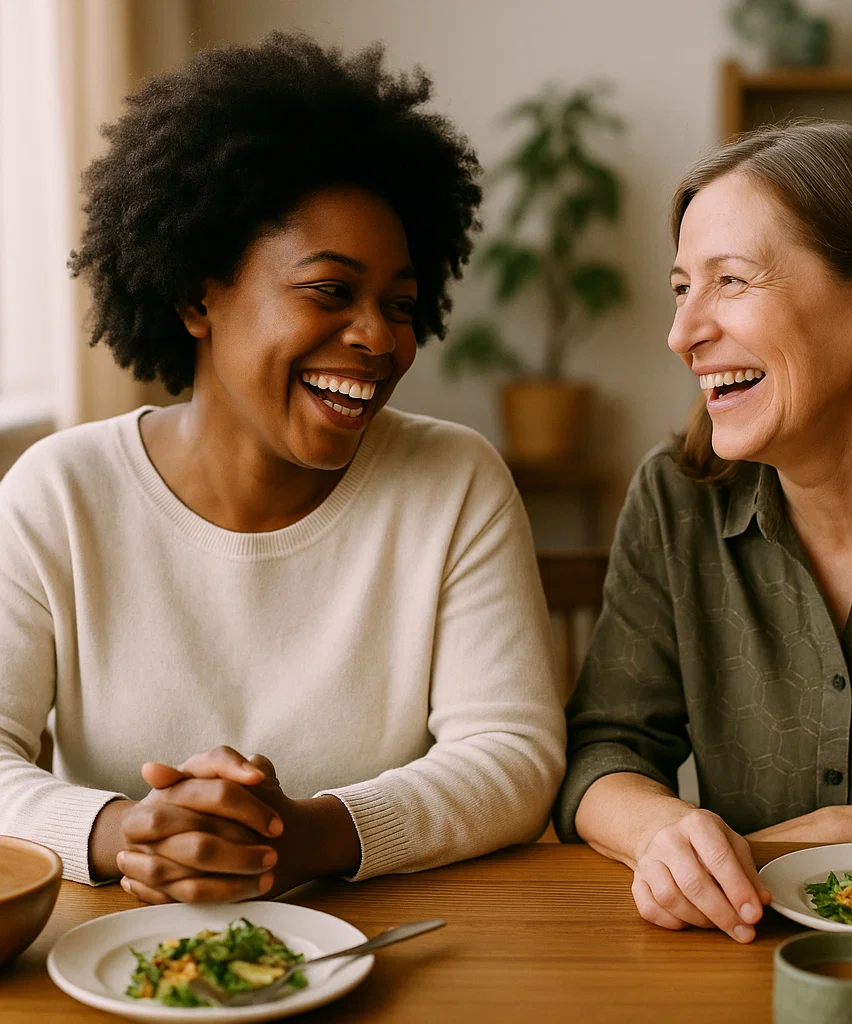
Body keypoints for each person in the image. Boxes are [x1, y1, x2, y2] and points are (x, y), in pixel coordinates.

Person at [0, 33, 564, 904]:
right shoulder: (60, 493)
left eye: (402, 305)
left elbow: (514, 759)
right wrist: (123, 834)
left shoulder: (454, 482)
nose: (379, 337)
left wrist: (309, 836)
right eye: (331, 291)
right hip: (118, 967)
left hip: (398, 958)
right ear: (198, 296)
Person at [554, 119, 852, 943]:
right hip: (744, 964)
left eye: (731, 281)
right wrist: (660, 831)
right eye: (680, 288)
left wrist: (845, 833)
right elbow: (606, 748)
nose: (683, 333)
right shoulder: (676, 501)